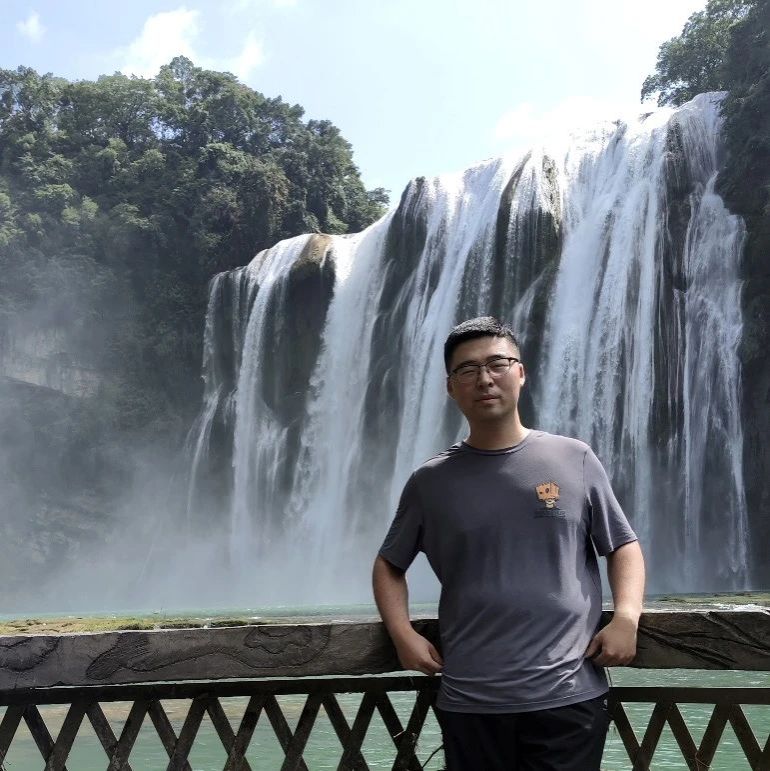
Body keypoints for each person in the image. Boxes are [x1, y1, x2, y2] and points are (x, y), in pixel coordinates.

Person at [372, 316, 645, 771]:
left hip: (568, 695)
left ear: (520, 373)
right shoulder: (430, 482)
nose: (484, 379)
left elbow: (623, 545)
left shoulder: (574, 458)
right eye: (467, 369)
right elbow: (388, 564)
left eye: (497, 364)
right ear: (450, 387)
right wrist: (403, 636)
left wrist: (627, 617)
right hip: (470, 699)